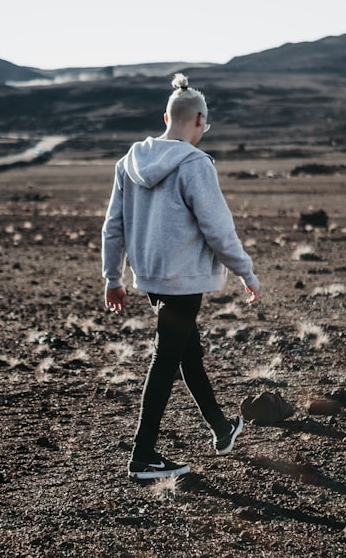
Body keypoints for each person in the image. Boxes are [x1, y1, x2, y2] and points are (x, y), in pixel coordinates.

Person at [101, 73, 262, 480]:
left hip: (153, 279)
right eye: (205, 125)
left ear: (166, 115)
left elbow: (113, 226)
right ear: (200, 120)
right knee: (165, 360)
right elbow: (218, 228)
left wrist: (113, 278)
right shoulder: (195, 164)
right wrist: (247, 272)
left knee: (188, 354)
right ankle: (143, 457)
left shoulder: (128, 162)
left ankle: (222, 430)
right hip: (185, 280)